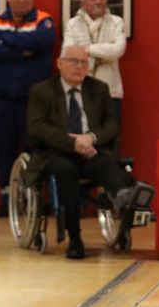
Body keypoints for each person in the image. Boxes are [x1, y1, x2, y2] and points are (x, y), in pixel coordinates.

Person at [27, 44, 148, 259]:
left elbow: (112, 125)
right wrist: (72, 142)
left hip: (91, 149)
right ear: (59, 63)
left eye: (84, 62)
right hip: (57, 152)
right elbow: (38, 127)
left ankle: (124, 197)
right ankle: (74, 238)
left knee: (106, 163)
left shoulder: (99, 89)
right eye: (74, 61)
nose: (79, 66)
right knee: (66, 171)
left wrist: (90, 138)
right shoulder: (42, 91)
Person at [0, 0, 56, 217]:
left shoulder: (44, 20)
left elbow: (42, 41)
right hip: (3, 100)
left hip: (34, 103)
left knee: (36, 150)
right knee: (3, 152)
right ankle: (8, 201)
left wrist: (7, 41)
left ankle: (35, 200)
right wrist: (24, 50)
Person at [63, 0, 126, 126]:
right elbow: (67, 56)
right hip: (80, 90)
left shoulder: (116, 22)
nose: (98, 2)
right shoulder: (73, 24)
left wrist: (86, 49)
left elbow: (117, 50)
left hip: (111, 92)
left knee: (110, 141)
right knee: (80, 142)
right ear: (83, 2)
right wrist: (100, 57)